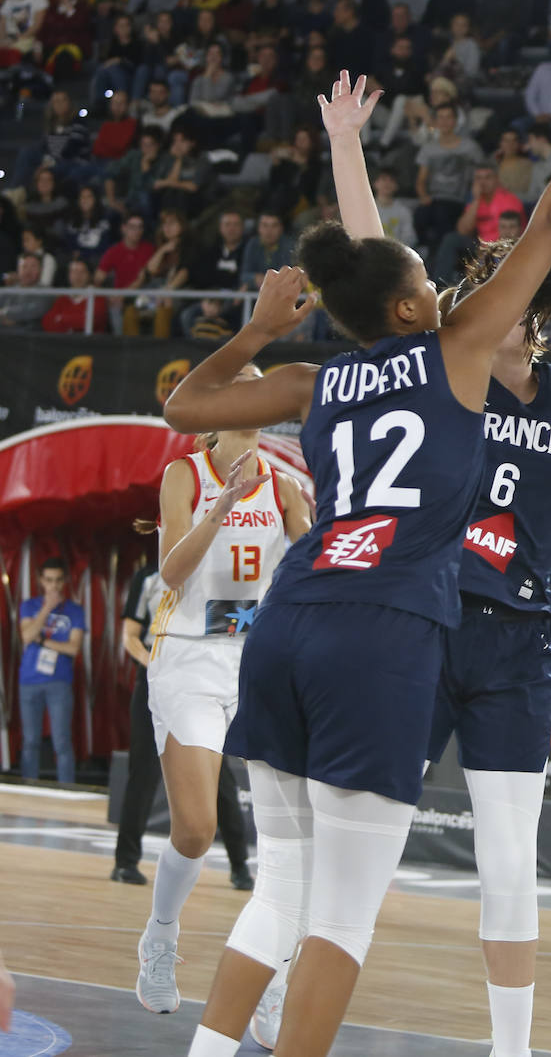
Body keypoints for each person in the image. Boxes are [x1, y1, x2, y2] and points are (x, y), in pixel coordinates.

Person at [169, 46, 551, 1057]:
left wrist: (255, 327)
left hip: (310, 613)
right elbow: (543, 222)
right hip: (396, 626)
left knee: (292, 885)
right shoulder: (451, 352)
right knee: (338, 914)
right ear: (424, 306)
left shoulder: (349, 369)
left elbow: (189, 403)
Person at [135, 425, 311, 1035]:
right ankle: (159, 937)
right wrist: (223, 508)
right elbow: (173, 571)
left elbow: (315, 574)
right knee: (196, 827)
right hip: (188, 656)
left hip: (257, 664)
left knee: (290, 839)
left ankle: (271, 978)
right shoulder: (185, 474)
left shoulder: (286, 487)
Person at [112, 545, 254, 890]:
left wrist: (196, 629)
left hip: (201, 680)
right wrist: (155, 662)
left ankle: (240, 866)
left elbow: (245, 619)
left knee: (220, 780)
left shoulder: (220, 575)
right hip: (154, 680)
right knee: (142, 773)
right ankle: (125, 861)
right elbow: (130, 635)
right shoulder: (147, 578)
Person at [17, 558, 85, 784]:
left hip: (59, 681)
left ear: (64, 581)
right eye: (48, 580)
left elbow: (73, 648)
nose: (53, 586)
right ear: (41, 581)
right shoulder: (30, 606)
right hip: (29, 680)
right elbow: (26, 636)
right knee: (30, 741)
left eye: (57, 581)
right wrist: (47, 607)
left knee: (62, 741)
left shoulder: (75, 611)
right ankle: (29, 788)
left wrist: (43, 642)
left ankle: (66, 790)